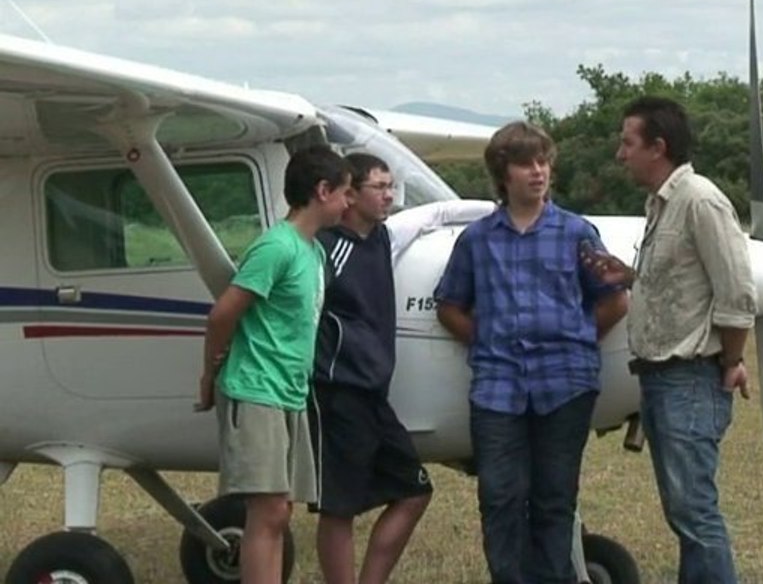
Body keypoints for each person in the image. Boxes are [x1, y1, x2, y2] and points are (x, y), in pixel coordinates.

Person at [433, 121, 628, 584]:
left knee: (554, 497)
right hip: (497, 387)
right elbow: (450, 306)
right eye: (526, 164)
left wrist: (577, 339)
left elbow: (614, 299)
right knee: (499, 495)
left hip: (566, 384)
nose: (538, 172)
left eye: (543, 162)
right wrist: (487, 343)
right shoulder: (478, 240)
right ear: (504, 174)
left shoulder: (576, 232)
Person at [584, 95, 757, 584]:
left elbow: (738, 293)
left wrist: (731, 360)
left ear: (657, 147)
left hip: (689, 378)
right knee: (686, 511)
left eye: (628, 143)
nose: (621, 154)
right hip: (661, 380)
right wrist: (633, 275)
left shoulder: (699, 200)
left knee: (695, 512)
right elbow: (684, 283)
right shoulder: (662, 204)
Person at [197, 144, 351, 584]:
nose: (348, 203)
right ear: (322, 191)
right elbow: (223, 314)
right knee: (267, 511)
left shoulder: (314, 252)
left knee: (278, 512)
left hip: (289, 391)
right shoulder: (276, 248)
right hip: (256, 388)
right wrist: (210, 375)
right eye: (344, 193)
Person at [310, 153, 433, 584]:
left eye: (390, 186)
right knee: (339, 506)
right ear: (349, 195)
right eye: (378, 187)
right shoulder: (324, 249)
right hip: (337, 391)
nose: (389, 196)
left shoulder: (381, 238)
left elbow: (432, 215)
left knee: (416, 491)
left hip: (375, 393)